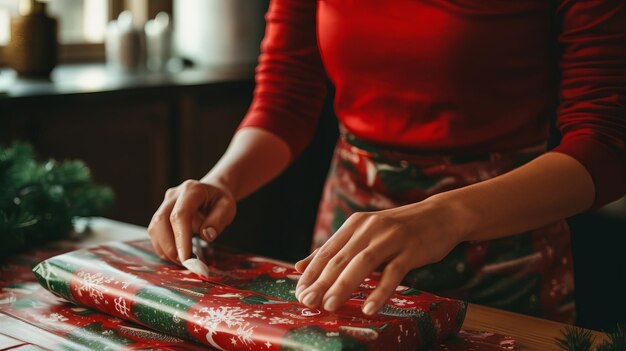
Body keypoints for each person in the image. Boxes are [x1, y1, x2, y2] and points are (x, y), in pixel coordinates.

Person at [148, 1, 626, 324]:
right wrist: (223, 181)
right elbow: (286, 96)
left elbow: (606, 142)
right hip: (349, 244)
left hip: (504, 243)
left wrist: (446, 215)